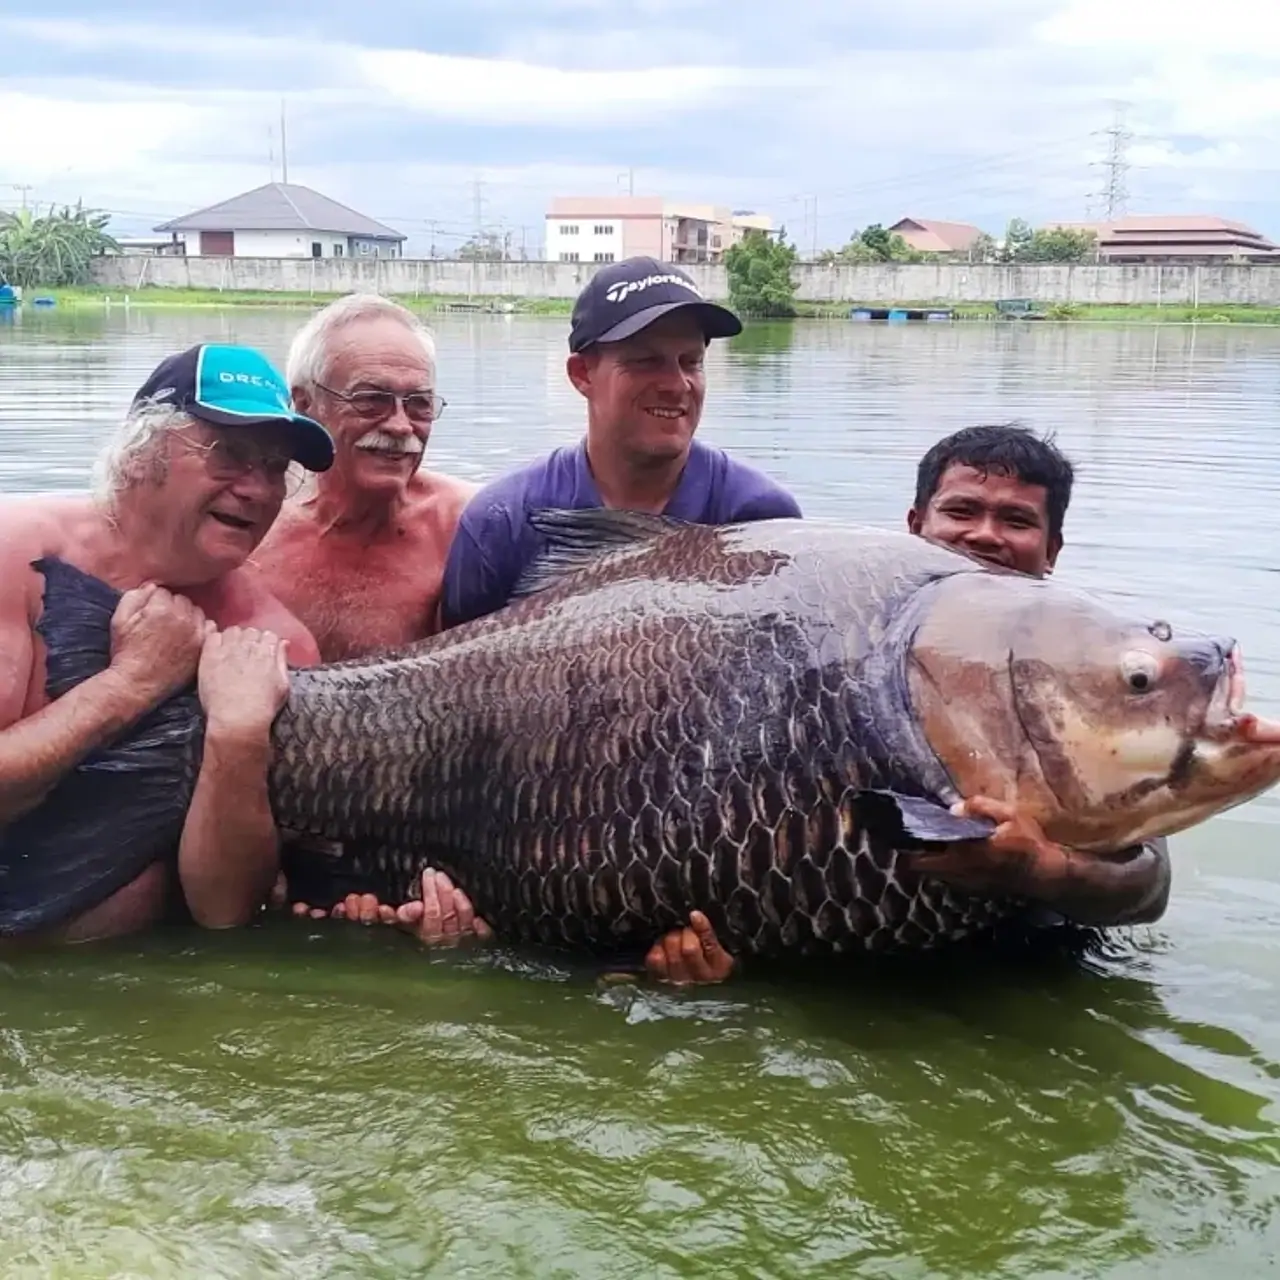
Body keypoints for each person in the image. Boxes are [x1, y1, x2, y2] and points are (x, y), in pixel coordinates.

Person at [0, 342, 333, 944]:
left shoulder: (277, 645)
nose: (257, 489)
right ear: (141, 452)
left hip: (127, 990)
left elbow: (226, 912)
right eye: (229, 455)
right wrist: (131, 683)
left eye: (275, 468)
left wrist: (237, 736)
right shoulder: (15, 555)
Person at [439, 256, 803, 628]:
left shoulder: (759, 517)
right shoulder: (501, 522)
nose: (677, 385)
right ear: (582, 374)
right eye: (646, 361)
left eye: (691, 362)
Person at [904, 422, 1171, 927]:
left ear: (1051, 551)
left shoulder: (1083, 665)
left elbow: (1148, 885)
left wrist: (1040, 868)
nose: (984, 535)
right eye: (961, 511)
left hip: (1035, 954)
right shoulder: (849, 639)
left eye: (1016, 520)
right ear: (916, 525)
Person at [250, 293, 478, 662]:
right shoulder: (247, 523)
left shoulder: (472, 527)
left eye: (419, 403)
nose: (401, 426)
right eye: (371, 399)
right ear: (305, 405)